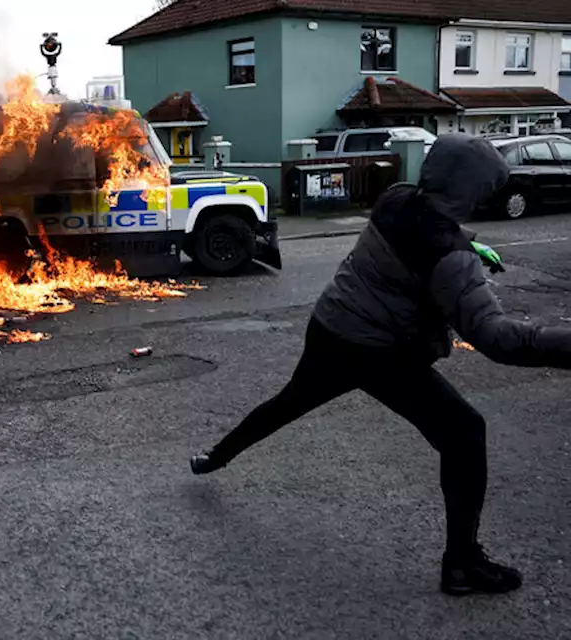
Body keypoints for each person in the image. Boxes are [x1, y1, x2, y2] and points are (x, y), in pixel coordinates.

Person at [188, 133, 571, 596]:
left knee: (288, 402)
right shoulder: (448, 257)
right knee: (465, 433)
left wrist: (468, 245)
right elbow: (500, 340)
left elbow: (425, 232)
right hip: (380, 352)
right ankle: (462, 564)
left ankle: (214, 458)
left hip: (332, 327)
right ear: (475, 188)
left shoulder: (396, 198)